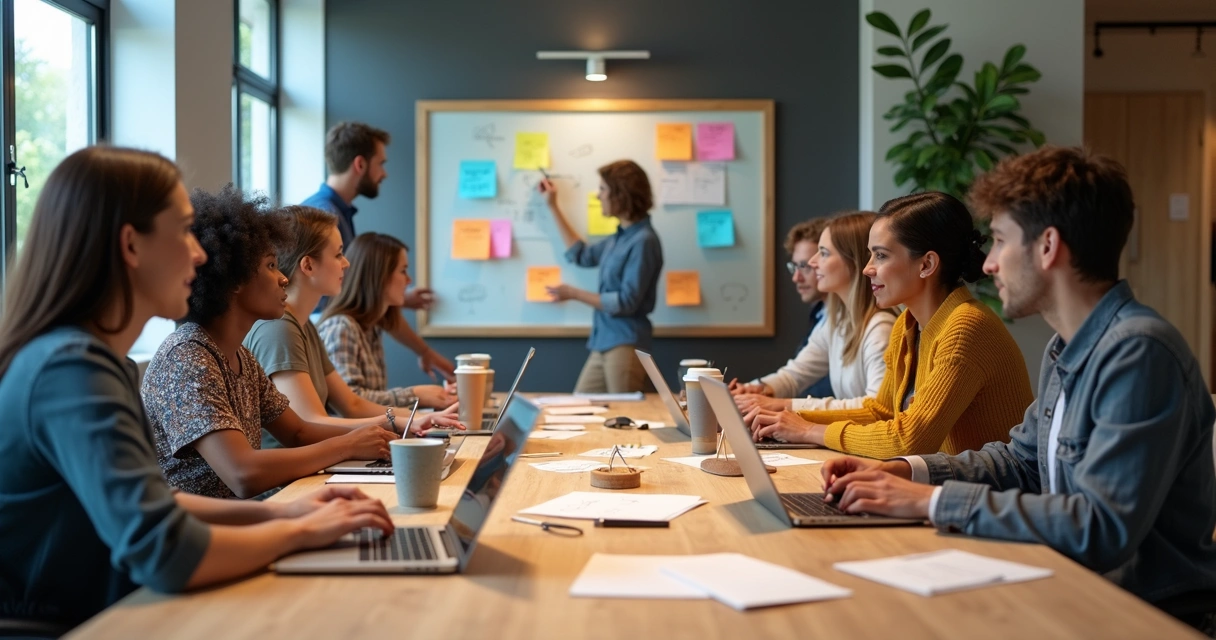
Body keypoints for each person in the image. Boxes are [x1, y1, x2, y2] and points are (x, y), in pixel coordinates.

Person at [820, 146, 1216, 634]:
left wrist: (930, 502)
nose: (988, 264)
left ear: (1047, 247)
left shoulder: (1139, 353)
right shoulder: (1064, 348)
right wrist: (902, 470)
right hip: (1068, 586)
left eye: (1002, 241)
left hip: (1137, 614)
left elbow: (1100, 527)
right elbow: (1021, 463)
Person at [0, 146, 392, 630]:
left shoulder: (96, 363)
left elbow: (156, 502)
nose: (201, 252)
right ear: (131, 245)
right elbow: (163, 549)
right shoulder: (71, 371)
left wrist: (282, 517)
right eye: (184, 231)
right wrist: (300, 530)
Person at [143, 186, 407, 500]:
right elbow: (243, 473)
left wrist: (381, 430)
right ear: (236, 279)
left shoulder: (239, 355)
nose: (283, 277)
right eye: (270, 265)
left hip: (245, 519)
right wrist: (349, 444)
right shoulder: (187, 357)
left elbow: (298, 432)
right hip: (204, 539)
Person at [746, 191, 1033, 458]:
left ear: (926, 265)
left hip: (983, 501)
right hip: (949, 487)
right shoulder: (907, 324)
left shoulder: (965, 327)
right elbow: (881, 412)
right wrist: (792, 418)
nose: (867, 268)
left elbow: (910, 440)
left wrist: (808, 430)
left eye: (881, 255)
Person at [243, 205, 462, 449]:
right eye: (338, 255)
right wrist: (398, 422)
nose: (346, 263)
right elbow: (310, 424)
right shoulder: (279, 328)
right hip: (291, 481)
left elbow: (352, 404)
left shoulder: (305, 327)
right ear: (308, 266)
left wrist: (416, 419)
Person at [301, 121, 454, 380]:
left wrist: (399, 298)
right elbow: (350, 294)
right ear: (360, 165)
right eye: (381, 163)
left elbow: (358, 292)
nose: (384, 173)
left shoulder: (335, 214)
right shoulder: (325, 218)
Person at [733, 212, 895, 411]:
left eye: (824, 253)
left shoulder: (880, 328)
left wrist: (784, 405)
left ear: (854, 262)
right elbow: (795, 375)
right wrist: (754, 390)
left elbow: (875, 407)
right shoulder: (838, 321)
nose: (812, 262)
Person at [538, 160, 664, 393]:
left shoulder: (644, 241)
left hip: (626, 343)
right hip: (603, 342)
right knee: (580, 406)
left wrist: (574, 293)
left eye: (603, 189)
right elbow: (581, 255)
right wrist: (553, 206)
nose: (599, 196)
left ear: (621, 194)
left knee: (627, 419)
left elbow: (626, 302)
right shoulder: (619, 238)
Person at [318, 232, 457, 408]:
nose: (409, 280)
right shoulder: (340, 328)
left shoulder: (371, 327)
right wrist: (415, 396)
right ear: (379, 277)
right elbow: (349, 401)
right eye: (403, 271)